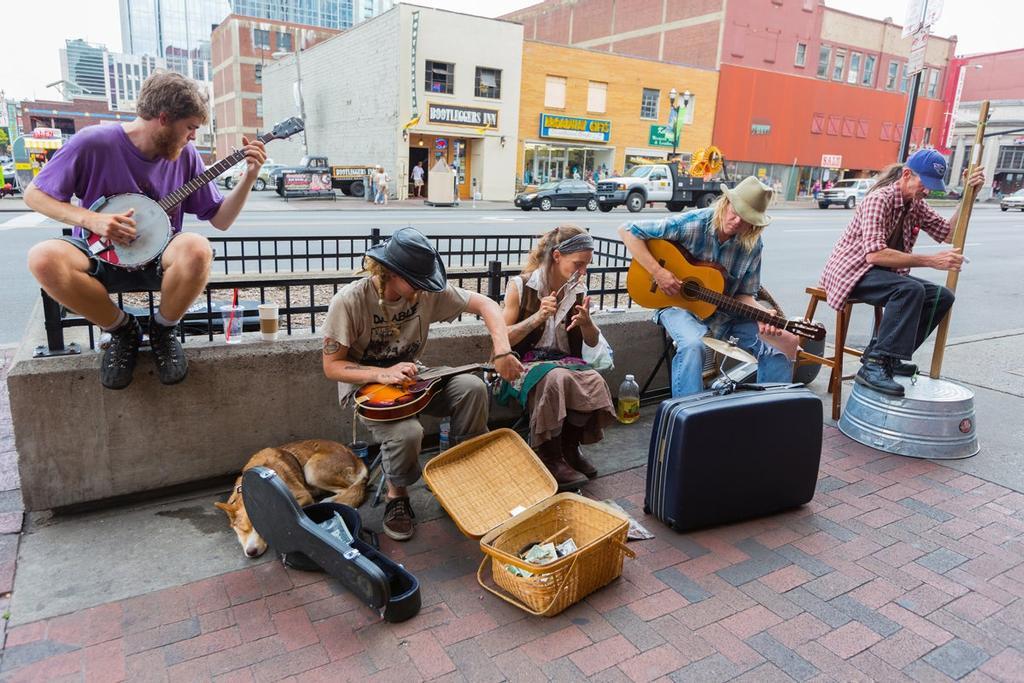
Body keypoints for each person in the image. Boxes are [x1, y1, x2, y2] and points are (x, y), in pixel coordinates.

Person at [24, 72, 267, 391]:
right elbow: (33, 195)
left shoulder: (186, 156)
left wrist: (249, 177)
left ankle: (163, 331)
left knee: (197, 248)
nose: (193, 137)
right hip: (100, 255)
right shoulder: (94, 143)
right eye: (190, 127)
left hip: (158, 257)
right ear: (164, 119)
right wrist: (92, 221)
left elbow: (220, 219)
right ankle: (122, 330)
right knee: (42, 258)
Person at [321, 228, 524, 541]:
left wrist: (502, 350)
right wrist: (380, 374)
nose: (421, 289)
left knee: (472, 387)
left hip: (416, 377)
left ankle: (461, 473)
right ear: (389, 272)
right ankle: (397, 497)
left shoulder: (425, 292)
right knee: (408, 432)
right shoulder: (349, 301)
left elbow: (487, 305)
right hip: (367, 389)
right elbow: (332, 366)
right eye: (415, 282)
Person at [820, 149, 986, 397]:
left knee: (942, 296)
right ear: (907, 174)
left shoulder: (916, 204)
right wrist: (931, 261)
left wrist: (969, 195)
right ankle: (875, 364)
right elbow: (874, 255)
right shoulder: (880, 199)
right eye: (924, 184)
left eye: (932, 186)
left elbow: (949, 233)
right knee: (910, 290)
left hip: (883, 273)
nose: (927, 191)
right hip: (852, 271)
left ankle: (888, 357)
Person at [618, 177, 793, 397]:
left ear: (754, 224)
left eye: (746, 218)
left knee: (778, 344)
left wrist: (761, 314)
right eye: (735, 211)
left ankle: (770, 411)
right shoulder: (693, 223)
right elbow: (627, 231)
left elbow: (744, 294)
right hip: (677, 306)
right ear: (726, 202)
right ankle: (689, 417)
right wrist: (658, 272)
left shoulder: (753, 246)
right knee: (693, 344)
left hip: (724, 315)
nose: (737, 220)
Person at [500, 225, 616, 489]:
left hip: (563, 363)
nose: (583, 271)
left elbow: (591, 341)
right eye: (578, 264)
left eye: (586, 265)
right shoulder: (521, 286)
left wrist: (587, 324)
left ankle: (569, 448)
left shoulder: (577, 291)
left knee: (593, 379)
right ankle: (549, 455)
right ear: (556, 256)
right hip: (523, 364)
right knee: (557, 377)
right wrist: (537, 318)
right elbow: (502, 338)